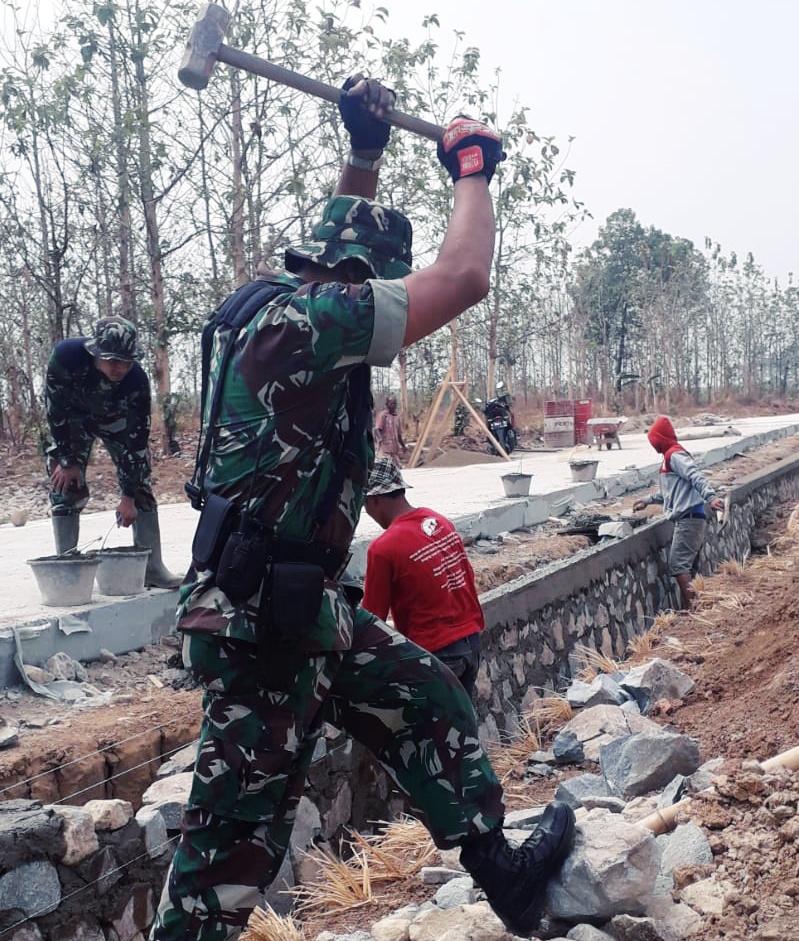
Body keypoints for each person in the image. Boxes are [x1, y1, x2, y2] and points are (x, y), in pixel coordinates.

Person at [150, 75, 574, 941]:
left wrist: (365, 152)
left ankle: (509, 880)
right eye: (378, 285)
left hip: (307, 612)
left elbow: (350, 233)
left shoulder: (283, 303)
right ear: (357, 280)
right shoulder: (318, 320)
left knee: (425, 699)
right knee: (227, 860)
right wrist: (471, 166)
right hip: (260, 630)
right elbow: (464, 275)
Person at [44, 316, 180, 588]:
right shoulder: (66, 356)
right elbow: (55, 409)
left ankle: (152, 568)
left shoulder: (136, 380)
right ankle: (67, 569)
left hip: (117, 422)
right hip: (73, 422)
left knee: (141, 484)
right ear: (96, 353)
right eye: (113, 360)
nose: (120, 368)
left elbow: (137, 440)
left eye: (127, 361)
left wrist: (128, 495)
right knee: (64, 484)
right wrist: (67, 459)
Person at [361, 457, 484, 696]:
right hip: (471, 641)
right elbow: (467, 577)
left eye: (365, 506)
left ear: (374, 500)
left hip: (436, 652)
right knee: (464, 725)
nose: (368, 513)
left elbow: (372, 617)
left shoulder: (383, 547)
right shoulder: (438, 521)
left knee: (433, 731)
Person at [632, 415, 724, 610]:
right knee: (688, 567)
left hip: (689, 518)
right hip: (691, 517)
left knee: (678, 565)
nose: (653, 445)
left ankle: (693, 609)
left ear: (660, 439)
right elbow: (671, 492)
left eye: (654, 440)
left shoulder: (674, 455)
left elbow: (695, 476)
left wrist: (711, 497)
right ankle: (694, 608)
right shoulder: (669, 457)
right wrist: (647, 501)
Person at [375, 394, 406, 461]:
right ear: (387, 404)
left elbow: (399, 435)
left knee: (396, 469)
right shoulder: (383, 415)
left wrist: (404, 446)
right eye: (391, 403)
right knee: (386, 469)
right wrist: (381, 440)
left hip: (395, 451)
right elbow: (377, 429)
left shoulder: (396, 417)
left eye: (395, 404)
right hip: (385, 451)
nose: (393, 405)